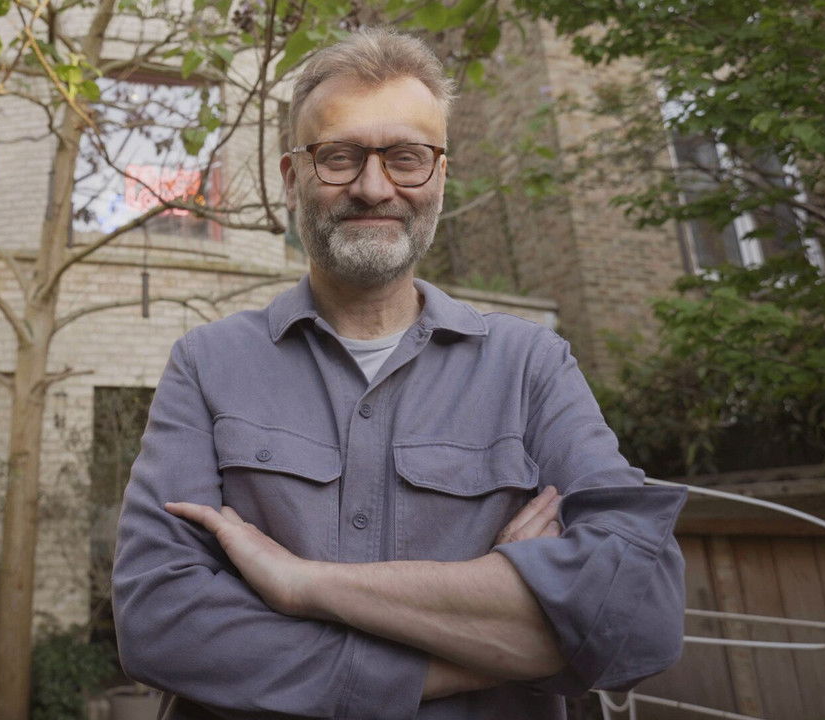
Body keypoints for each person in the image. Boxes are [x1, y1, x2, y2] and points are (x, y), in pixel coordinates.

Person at [113, 27, 688, 720]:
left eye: (407, 158)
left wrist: (302, 584)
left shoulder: (532, 366)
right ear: (295, 177)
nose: (373, 186)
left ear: (440, 174)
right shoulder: (208, 365)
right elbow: (158, 625)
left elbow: (642, 612)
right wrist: (502, 623)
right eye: (340, 157)